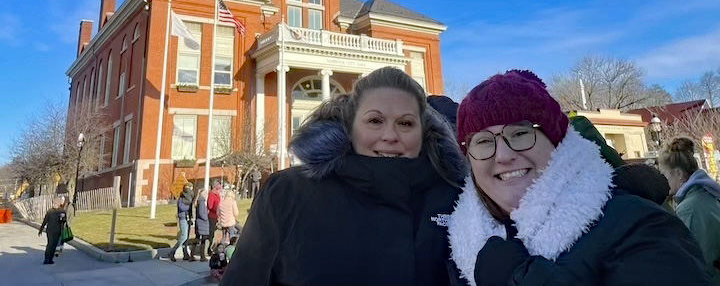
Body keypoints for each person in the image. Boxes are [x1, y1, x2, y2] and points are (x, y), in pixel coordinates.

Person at [446, 69, 710, 286]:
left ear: (557, 143)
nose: (502, 155)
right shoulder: (465, 242)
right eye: (482, 141)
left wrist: (516, 280)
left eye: (520, 133)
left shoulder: (639, 225)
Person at [221, 66, 467, 286]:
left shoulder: (455, 197)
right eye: (375, 120)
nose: (390, 135)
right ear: (350, 127)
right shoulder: (288, 192)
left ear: (423, 132)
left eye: (405, 123)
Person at [659, 137, 720, 283]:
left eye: (665, 175)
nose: (663, 180)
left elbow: (698, 259)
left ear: (678, 174)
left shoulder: (690, 208)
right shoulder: (707, 193)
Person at [168, 183, 194, 262]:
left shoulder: (190, 197)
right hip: (182, 218)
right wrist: (189, 206)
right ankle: (172, 251)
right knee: (184, 236)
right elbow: (181, 207)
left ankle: (185, 253)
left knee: (186, 238)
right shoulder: (182, 198)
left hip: (187, 218)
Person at [38, 197, 66, 265]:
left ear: (59, 204)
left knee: (54, 245)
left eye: (56, 203)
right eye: (54, 203)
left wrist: (62, 218)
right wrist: (41, 230)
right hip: (50, 231)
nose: (55, 204)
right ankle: (46, 259)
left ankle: (50, 259)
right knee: (50, 244)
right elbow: (45, 221)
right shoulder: (50, 211)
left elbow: (64, 221)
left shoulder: (62, 211)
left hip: (57, 231)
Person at [192, 187, 211, 262]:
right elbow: (201, 213)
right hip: (202, 223)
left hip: (198, 222)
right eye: (206, 193)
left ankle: (192, 254)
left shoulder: (198, 201)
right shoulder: (202, 201)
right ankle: (202, 256)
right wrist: (206, 218)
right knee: (203, 239)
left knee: (197, 238)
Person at [207, 181, 222, 255]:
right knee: (211, 233)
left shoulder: (217, 195)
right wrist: (217, 209)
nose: (220, 189)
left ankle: (213, 248)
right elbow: (210, 206)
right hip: (212, 216)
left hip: (217, 216)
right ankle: (209, 249)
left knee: (215, 233)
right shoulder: (212, 195)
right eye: (218, 188)